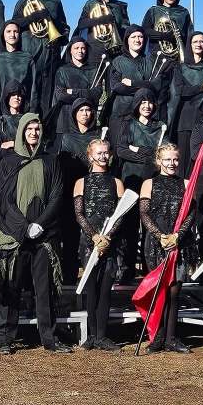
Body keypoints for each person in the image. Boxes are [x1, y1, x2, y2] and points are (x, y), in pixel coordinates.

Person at [0, 114, 71, 353]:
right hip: (15, 235)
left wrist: (40, 224)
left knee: (45, 288)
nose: (34, 133)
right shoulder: (9, 162)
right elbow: (2, 199)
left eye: (37, 129)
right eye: (29, 129)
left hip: (44, 236)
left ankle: (50, 338)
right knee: (11, 286)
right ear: (21, 132)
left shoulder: (50, 161)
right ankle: (5, 338)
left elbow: (57, 196)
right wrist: (24, 227)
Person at [138, 143, 196, 353]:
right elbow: (144, 213)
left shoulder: (187, 183)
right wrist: (160, 236)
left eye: (175, 159)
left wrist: (177, 236)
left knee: (173, 292)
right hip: (156, 243)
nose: (172, 163)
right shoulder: (149, 183)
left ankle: (171, 337)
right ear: (159, 160)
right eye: (167, 159)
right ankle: (157, 337)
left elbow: (191, 213)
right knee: (158, 290)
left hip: (179, 243)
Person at [73, 139, 125, 351]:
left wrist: (107, 237)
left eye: (106, 152)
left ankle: (102, 335)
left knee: (105, 289)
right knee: (91, 289)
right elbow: (79, 214)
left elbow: (121, 214)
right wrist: (94, 236)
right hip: (89, 242)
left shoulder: (117, 182)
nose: (103, 156)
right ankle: (91, 336)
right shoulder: (81, 182)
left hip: (111, 242)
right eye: (99, 153)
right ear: (90, 156)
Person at [58, 99, 103, 283]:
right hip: (71, 190)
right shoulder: (66, 138)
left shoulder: (99, 136)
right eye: (81, 110)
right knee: (70, 235)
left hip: (94, 192)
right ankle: (69, 275)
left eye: (88, 110)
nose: (85, 113)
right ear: (74, 114)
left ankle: (92, 276)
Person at [11, 0, 70, 107]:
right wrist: (33, 17)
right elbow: (14, 25)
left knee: (48, 94)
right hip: (29, 53)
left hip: (50, 53)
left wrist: (61, 37)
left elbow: (63, 25)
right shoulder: (23, 1)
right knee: (30, 92)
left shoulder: (55, 1)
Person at [141, 0, 192, 123]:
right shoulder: (153, 11)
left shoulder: (183, 12)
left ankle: (171, 128)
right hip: (157, 61)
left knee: (175, 96)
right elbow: (144, 31)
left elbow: (189, 35)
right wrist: (163, 35)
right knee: (157, 96)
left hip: (176, 61)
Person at [169, 32, 203, 176]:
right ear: (189, 45)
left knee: (201, 160)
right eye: (195, 42)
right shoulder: (180, 67)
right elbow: (181, 91)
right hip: (186, 119)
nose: (198, 44)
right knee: (184, 161)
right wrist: (202, 87)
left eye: (201, 41)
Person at [0, 20, 37, 149]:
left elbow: (33, 88)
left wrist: (31, 112)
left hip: (21, 112)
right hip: (0, 113)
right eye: (8, 31)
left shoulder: (27, 58)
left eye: (15, 31)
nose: (12, 34)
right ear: (3, 35)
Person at [75, 0, 128, 68]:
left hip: (116, 51)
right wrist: (100, 20)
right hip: (94, 50)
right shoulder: (91, 4)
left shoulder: (120, 6)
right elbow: (81, 24)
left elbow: (125, 28)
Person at [108, 25, 153, 122]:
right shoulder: (118, 61)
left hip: (144, 112)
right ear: (127, 40)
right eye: (133, 37)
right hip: (123, 111)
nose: (137, 40)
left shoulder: (150, 62)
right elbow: (116, 86)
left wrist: (132, 83)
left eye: (140, 37)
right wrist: (144, 87)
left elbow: (154, 85)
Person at [52, 37, 96, 134]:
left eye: (83, 48)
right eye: (76, 48)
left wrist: (72, 91)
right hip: (66, 117)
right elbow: (60, 95)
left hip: (86, 119)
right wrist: (86, 93)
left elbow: (96, 94)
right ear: (70, 50)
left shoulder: (94, 70)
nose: (80, 51)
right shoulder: (62, 70)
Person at [0, 80, 28, 161]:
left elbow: (32, 148)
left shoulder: (28, 120)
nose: (16, 97)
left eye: (19, 94)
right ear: (7, 97)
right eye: (13, 94)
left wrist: (12, 144)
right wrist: (21, 148)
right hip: (4, 165)